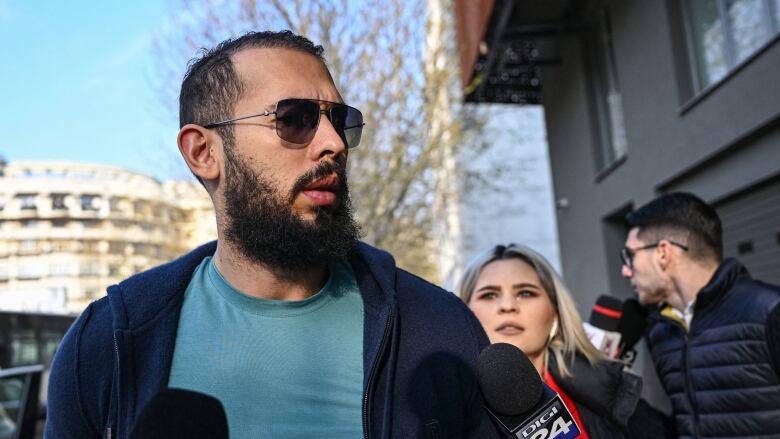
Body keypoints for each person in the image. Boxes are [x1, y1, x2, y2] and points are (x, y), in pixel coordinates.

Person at [45, 30, 500, 439]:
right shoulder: (111, 342)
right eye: (295, 119)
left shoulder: (438, 331)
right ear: (203, 152)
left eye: (339, 120)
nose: (334, 144)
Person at [457, 243, 672, 438]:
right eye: (489, 295)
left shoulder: (607, 392)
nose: (507, 305)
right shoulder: (446, 408)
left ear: (556, 313)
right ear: (463, 312)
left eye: (525, 293)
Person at [621, 192, 780, 438]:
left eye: (630, 256)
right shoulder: (659, 332)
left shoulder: (769, 311)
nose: (625, 270)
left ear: (663, 253)